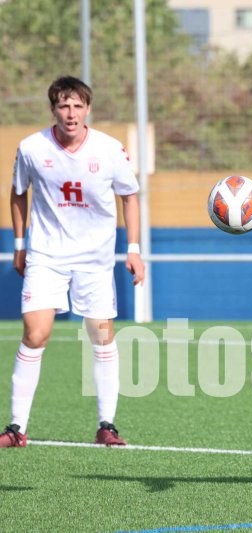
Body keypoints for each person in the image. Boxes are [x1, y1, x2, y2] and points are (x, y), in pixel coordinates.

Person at [0, 76, 144, 448]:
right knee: (35, 334)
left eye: (78, 106)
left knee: (101, 335)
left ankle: (107, 426)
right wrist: (20, 244)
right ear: (53, 109)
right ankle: (16, 428)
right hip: (46, 255)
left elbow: (130, 196)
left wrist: (133, 249)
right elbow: (18, 192)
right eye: (64, 105)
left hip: (94, 259)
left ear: (88, 109)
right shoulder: (32, 148)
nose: (71, 113)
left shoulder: (109, 150)